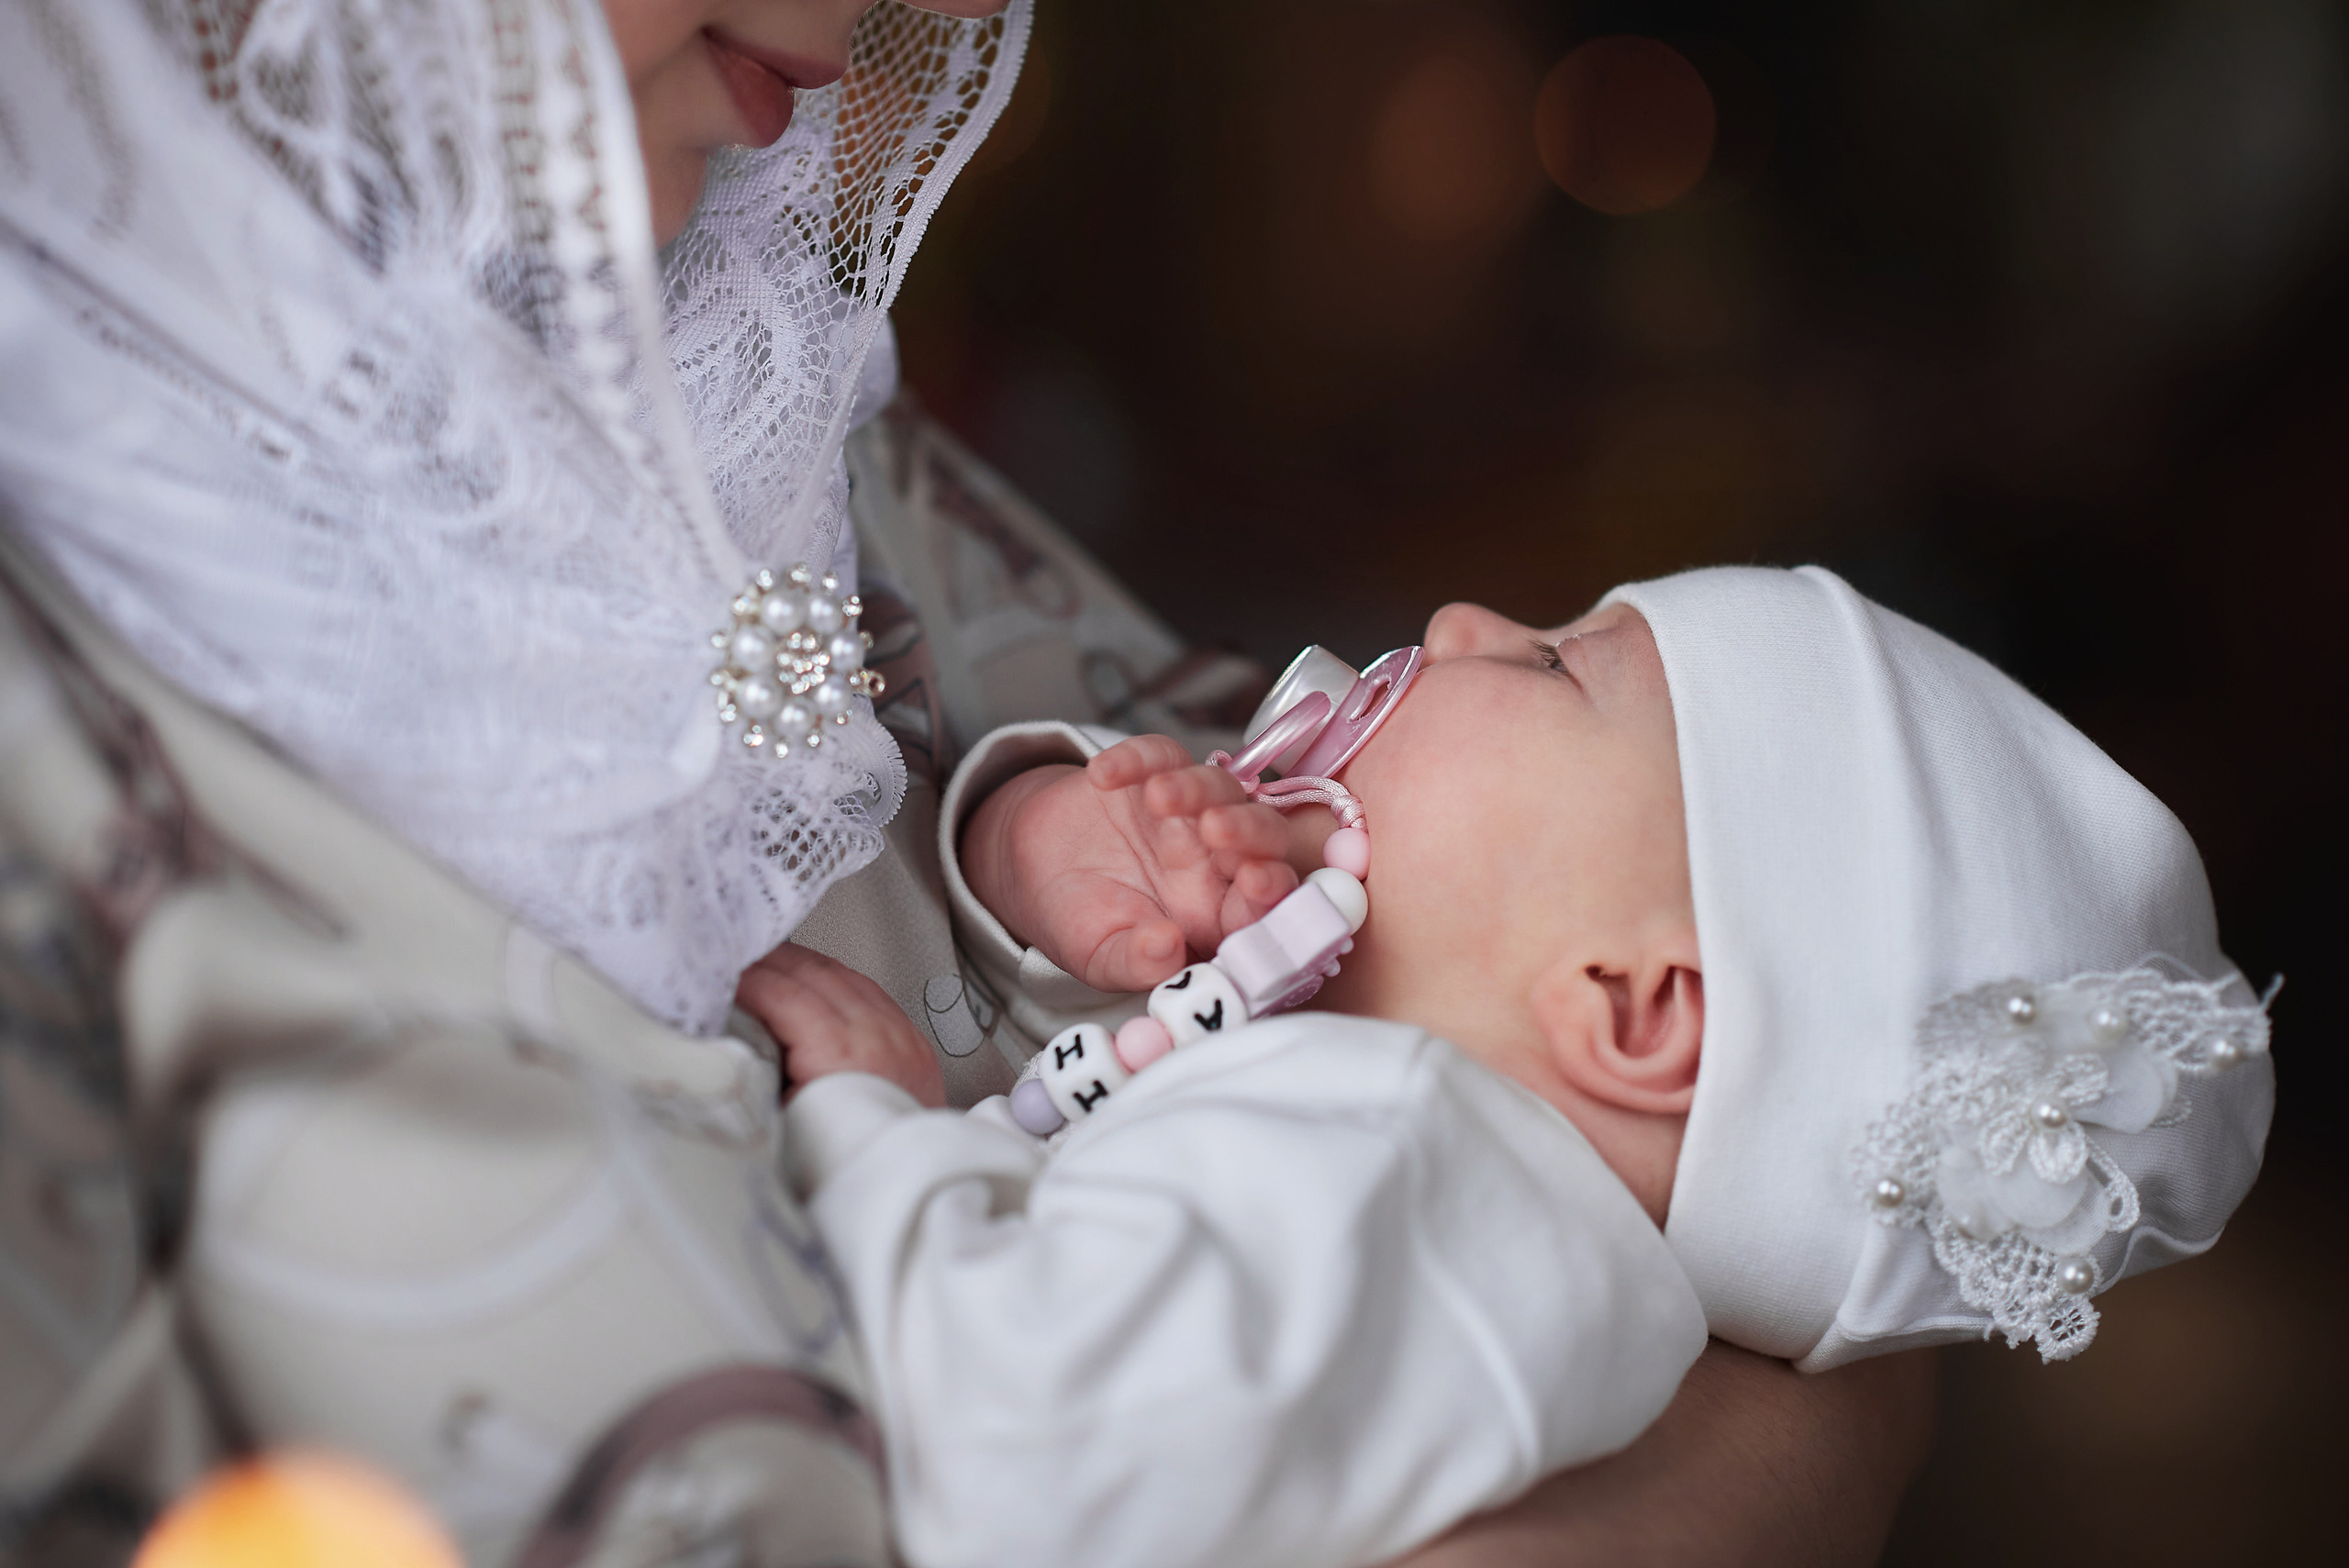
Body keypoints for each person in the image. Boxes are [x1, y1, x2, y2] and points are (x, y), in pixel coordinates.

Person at [0, 0, 1935, 1562]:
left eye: (1551, 661)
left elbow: (1836, 1152)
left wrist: (1035, 841)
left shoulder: (750, 389)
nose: (861, 37)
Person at [749, 567, 2277, 1568]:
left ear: (1631, 1007)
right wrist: (1051, 854)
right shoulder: (1370, 1094)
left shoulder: (1399, 1179)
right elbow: (1088, 1074)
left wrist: (884, 1139)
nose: (1471, 620)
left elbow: (1019, 1442)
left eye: (1555, 669)